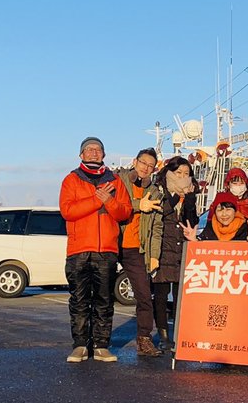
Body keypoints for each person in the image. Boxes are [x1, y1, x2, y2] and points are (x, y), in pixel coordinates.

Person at [59, 136, 133, 363]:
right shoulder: (71, 180)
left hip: (107, 251)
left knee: (104, 300)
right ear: (81, 155)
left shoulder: (115, 181)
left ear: (103, 154)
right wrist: (98, 199)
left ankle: (101, 346)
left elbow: (125, 212)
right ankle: (80, 345)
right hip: (79, 250)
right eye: (88, 149)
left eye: (97, 150)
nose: (93, 153)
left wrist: (109, 201)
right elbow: (67, 211)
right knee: (79, 300)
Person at [139, 156, 199, 351]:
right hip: (162, 248)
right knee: (162, 295)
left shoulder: (190, 192)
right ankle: (164, 335)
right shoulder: (159, 190)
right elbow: (158, 212)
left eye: (186, 174)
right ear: (169, 172)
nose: (182, 177)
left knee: (181, 294)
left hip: (181, 248)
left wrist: (189, 201)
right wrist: (175, 199)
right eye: (178, 173)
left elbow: (192, 220)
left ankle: (181, 333)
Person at [117, 148, 163, 357]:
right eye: (143, 163)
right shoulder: (119, 180)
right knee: (100, 295)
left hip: (137, 248)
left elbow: (157, 227)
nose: (145, 168)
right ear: (134, 161)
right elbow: (111, 206)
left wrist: (154, 255)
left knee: (144, 295)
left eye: (150, 166)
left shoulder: (154, 192)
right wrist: (137, 205)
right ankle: (96, 340)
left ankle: (144, 340)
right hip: (112, 243)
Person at [183, 192, 248, 242]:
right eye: (219, 210)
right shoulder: (211, 226)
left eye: (228, 209)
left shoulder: (245, 227)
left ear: (235, 211)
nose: (224, 214)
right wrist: (194, 240)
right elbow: (203, 247)